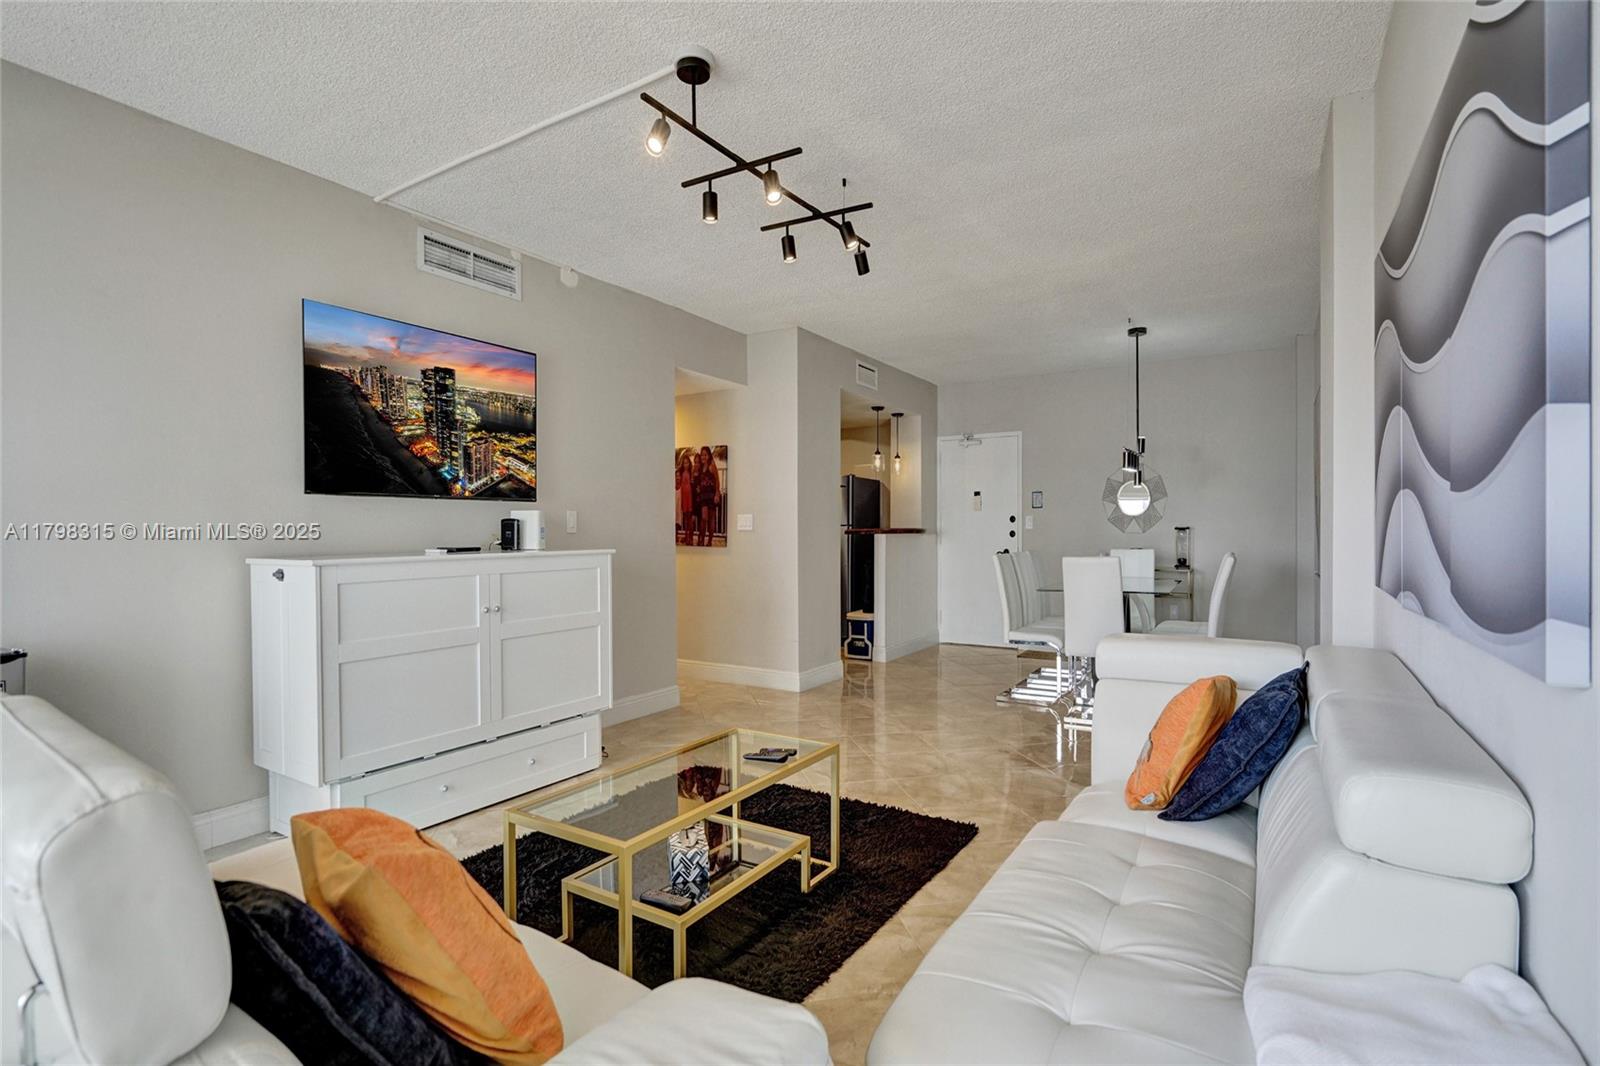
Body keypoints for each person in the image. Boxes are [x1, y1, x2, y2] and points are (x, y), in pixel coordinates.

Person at [693, 445, 720, 546]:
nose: (703, 457)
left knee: (712, 519)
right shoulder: (701, 466)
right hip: (704, 496)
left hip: (712, 495)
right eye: (702, 455)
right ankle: (701, 540)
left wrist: (717, 494)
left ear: (709, 455)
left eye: (705, 455)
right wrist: (698, 488)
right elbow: (700, 480)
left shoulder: (711, 465)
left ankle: (709, 542)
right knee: (704, 518)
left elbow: (717, 480)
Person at [676, 449, 694, 545]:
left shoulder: (691, 472)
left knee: (689, 519)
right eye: (684, 463)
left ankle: (690, 537)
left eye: (687, 463)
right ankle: (686, 536)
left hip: (689, 498)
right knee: (685, 519)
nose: (685, 465)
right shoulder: (681, 472)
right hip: (684, 497)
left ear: (689, 464)